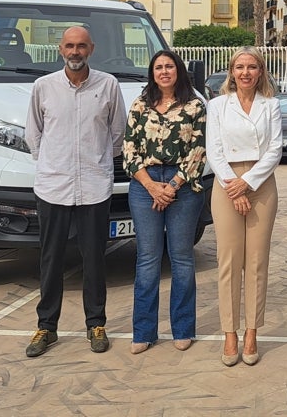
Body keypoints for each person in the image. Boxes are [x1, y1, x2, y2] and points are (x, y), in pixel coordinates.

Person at [23, 25, 127, 357]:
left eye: (81, 46)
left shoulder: (108, 85)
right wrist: (52, 162)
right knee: (50, 258)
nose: (75, 52)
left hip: (94, 187)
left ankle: (96, 323)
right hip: (53, 186)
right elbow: (34, 134)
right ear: (60, 50)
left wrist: (95, 161)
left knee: (94, 258)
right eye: (69, 46)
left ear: (91, 49)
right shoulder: (44, 87)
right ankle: (46, 327)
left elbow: (117, 134)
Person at [122, 50, 208, 355]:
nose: (164, 71)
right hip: (144, 184)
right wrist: (151, 186)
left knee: (181, 257)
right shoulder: (140, 105)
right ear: (152, 73)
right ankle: (143, 331)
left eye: (169, 66)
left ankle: (183, 328)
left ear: (178, 70)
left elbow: (199, 151)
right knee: (147, 258)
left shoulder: (195, 106)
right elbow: (129, 149)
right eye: (158, 67)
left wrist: (171, 187)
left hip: (182, 185)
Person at [206, 47, 283, 367]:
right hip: (226, 183)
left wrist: (248, 182)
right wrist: (233, 185)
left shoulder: (271, 105)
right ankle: (230, 333)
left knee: (256, 262)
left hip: (261, 183)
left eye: (252, 67)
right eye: (240, 67)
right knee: (228, 261)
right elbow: (214, 148)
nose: (246, 72)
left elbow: (276, 148)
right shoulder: (217, 106)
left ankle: (252, 331)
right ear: (231, 71)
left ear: (261, 71)